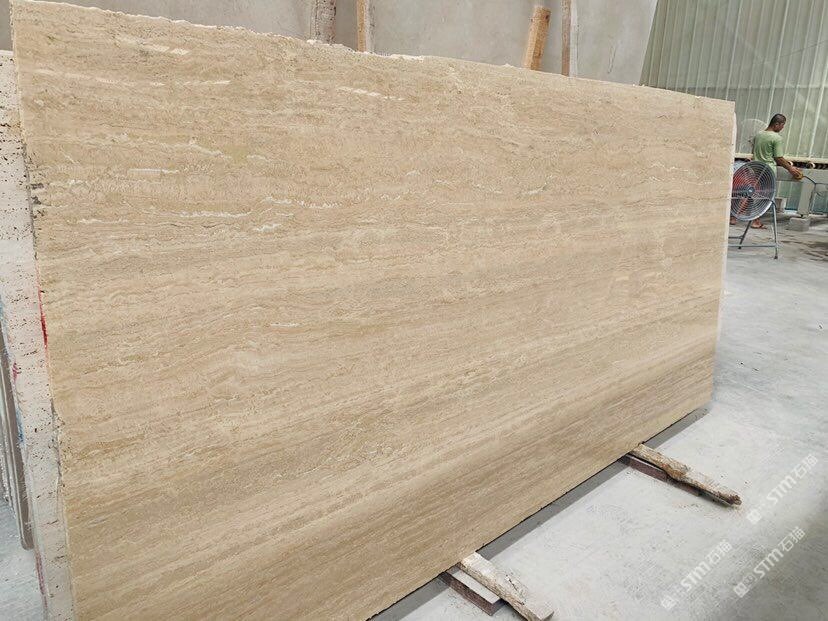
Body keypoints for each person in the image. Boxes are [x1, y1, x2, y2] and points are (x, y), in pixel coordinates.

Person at [732, 113, 803, 227]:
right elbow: (778, 158)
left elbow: (754, 151)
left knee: (751, 192)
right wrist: (791, 169)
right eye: (782, 125)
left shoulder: (758, 135)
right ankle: (752, 220)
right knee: (764, 197)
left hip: (756, 167)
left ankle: (737, 217)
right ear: (776, 124)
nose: (782, 128)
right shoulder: (776, 138)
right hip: (768, 171)